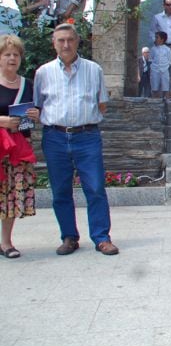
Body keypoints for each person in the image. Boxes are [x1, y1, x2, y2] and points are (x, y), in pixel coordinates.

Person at [33, 23, 118, 256]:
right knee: (60, 190)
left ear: (78, 41)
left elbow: (102, 104)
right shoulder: (43, 73)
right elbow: (37, 108)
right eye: (61, 40)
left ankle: (101, 237)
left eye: (70, 39)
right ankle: (69, 237)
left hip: (87, 135)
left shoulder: (93, 70)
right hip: (55, 137)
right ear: (54, 43)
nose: (66, 45)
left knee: (96, 188)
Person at [0, 35, 39, 259]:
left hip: (19, 145)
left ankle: (6, 242)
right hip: (0, 144)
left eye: (16, 54)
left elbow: (33, 113)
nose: (12, 58)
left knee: (11, 194)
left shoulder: (27, 84)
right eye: (7, 54)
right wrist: (2, 121)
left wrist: (34, 115)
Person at [150, 31, 171, 99]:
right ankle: (155, 100)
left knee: (165, 86)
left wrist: (165, 67)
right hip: (155, 69)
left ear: (162, 39)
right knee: (154, 87)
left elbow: (170, 60)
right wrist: (154, 66)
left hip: (164, 70)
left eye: (157, 37)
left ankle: (166, 101)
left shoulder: (167, 49)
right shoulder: (153, 49)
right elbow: (151, 59)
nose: (156, 39)